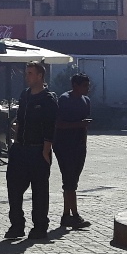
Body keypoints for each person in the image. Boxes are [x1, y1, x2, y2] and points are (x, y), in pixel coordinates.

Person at [5, 60, 58, 240]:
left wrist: (46, 150)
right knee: (14, 188)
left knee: (39, 191)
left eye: (30, 73)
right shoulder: (25, 95)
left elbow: (50, 126)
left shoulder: (48, 99)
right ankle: (17, 225)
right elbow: (20, 120)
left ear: (40, 76)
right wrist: (15, 139)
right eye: (26, 73)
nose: (26, 77)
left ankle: (40, 226)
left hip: (38, 150)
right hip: (20, 149)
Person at [54, 72, 94, 230]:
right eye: (84, 85)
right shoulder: (64, 100)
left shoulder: (86, 101)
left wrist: (84, 145)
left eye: (88, 85)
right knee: (69, 180)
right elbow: (58, 124)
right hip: (64, 145)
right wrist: (79, 124)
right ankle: (75, 216)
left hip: (78, 146)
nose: (87, 88)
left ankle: (66, 216)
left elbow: (85, 126)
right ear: (75, 86)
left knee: (72, 181)